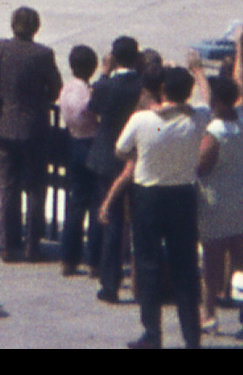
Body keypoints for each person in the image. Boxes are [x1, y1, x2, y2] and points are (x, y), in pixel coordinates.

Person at [114, 65, 207, 350]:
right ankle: (192, 336)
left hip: (149, 195)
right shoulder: (198, 118)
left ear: (162, 90)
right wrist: (199, 71)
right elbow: (207, 100)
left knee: (148, 264)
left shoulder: (144, 120)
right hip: (182, 194)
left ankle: (152, 333)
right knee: (185, 267)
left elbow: (121, 149)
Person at [0, 5, 62, 262]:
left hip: (3, 124)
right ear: (36, 28)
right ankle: (32, 245)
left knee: (7, 186)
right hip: (33, 127)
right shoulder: (43, 54)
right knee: (36, 188)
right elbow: (55, 89)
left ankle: (8, 244)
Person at [192, 58, 243, 334]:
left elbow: (202, 165)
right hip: (242, 198)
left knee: (212, 263)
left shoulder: (214, 132)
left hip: (216, 201)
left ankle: (209, 315)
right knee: (242, 260)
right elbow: (235, 88)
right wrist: (200, 74)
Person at [86, 34, 146, 302]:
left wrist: (103, 74)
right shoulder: (143, 86)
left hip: (107, 156)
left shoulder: (106, 86)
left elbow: (94, 108)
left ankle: (107, 279)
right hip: (138, 157)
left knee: (109, 218)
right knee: (140, 222)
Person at [58, 44, 101, 277]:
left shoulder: (66, 90)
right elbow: (96, 111)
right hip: (91, 144)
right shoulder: (89, 93)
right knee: (96, 204)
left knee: (75, 204)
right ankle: (94, 260)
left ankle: (68, 257)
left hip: (73, 143)